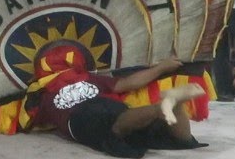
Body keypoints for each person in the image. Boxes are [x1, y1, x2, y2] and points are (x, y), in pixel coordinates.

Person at [27, 46, 206, 157]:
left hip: (79, 118)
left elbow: (25, 120)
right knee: (176, 138)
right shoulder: (89, 78)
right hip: (114, 107)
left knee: (115, 127)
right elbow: (129, 83)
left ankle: (160, 107)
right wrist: (161, 68)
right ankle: (176, 103)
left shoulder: (41, 94)